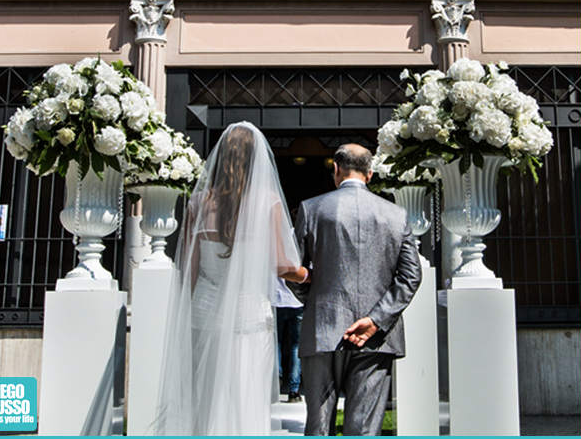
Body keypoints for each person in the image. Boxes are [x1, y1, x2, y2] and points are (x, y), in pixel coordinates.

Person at [154, 121, 309, 436]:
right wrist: (308, 274)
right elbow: (280, 265)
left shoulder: (198, 203)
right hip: (249, 314)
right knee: (245, 393)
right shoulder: (267, 201)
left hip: (205, 312)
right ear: (256, 160)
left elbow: (188, 268)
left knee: (207, 393)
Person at [293, 143, 422, 437]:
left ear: (336, 170)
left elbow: (294, 270)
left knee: (318, 426)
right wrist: (376, 319)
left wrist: (314, 301)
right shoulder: (396, 214)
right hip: (376, 336)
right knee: (363, 429)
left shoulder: (311, 208)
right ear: (370, 174)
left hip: (322, 327)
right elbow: (411, 276)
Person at [275, 274, 304, 402]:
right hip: (296, 300)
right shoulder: (299, 254)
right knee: (296, 345)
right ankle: (294, 390)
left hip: (276, 298)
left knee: (276, 341)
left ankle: (276, 379)